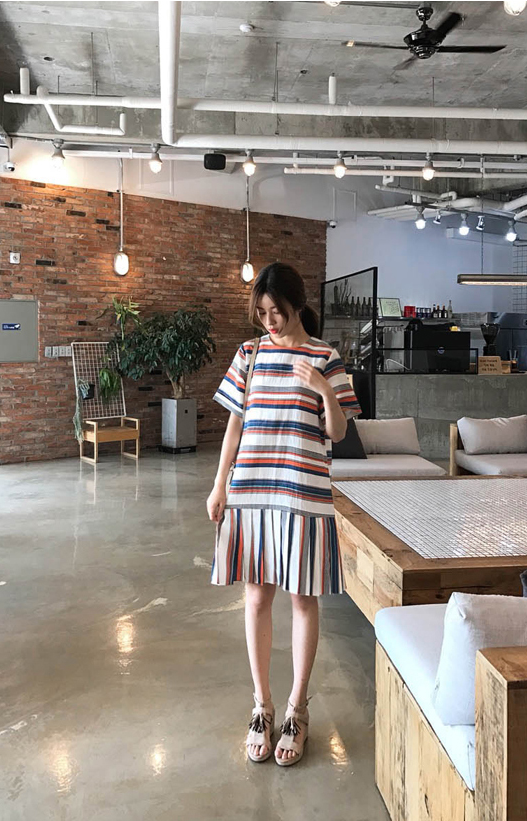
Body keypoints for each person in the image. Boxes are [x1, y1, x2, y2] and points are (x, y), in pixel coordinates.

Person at [206, 262, 361, 767]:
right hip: (251, 489)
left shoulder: (325, 356)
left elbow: (338, 432)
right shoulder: (249, 354)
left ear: (298, 305)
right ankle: (262, 705)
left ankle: (297, 709)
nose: (270, 321)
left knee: (302, 598)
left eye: (277, 311)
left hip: (304, 491)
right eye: (262, 312)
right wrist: (219, 484)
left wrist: (322, 387)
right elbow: (235, 425)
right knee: (256, 597)